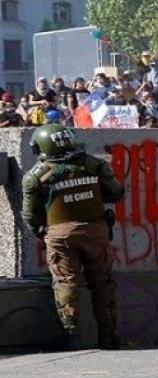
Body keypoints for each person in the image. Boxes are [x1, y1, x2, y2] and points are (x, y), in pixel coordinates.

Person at [21, 124, 125, 350]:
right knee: (102, 283)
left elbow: (30, 215)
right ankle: (108, 336)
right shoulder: (93, 164)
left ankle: (72, 336)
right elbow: (116, 193)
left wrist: (43, 233)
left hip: (60, 234)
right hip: (95, 231)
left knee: (66, 283)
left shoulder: (36, 177)